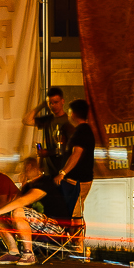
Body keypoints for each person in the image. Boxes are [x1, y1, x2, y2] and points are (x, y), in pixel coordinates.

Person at [0, 157, 74, 266]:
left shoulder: (45, 182)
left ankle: (29, 254)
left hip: (56, 226)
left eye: (23, 168)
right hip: (36, 224)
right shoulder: (28, 185)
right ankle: (14, 252)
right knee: (2, 216)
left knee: (16, 211)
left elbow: (23, 201)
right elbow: (15, 202)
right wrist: (23, 185)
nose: (22, 171)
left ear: (28, 167)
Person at [55, 98, 95, 256]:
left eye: (69, 112)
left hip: (78, 180)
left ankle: (77, 247)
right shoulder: (83, 131)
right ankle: (75, 244)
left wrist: (62, 172)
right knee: (74, 211)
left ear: (73, 113)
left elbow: (76, 154)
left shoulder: (82, 131)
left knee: (74, 213)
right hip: (78, 179)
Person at [26, 86, 71, 175]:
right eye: (50, 103)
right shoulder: (48, 119)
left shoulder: (68, 121)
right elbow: (27, 120)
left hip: (63, 169)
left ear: (62, 101)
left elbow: (69, 149)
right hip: (49, 170)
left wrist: (47, 153)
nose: (53, 105)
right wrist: (41, 105)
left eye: (56, 102)